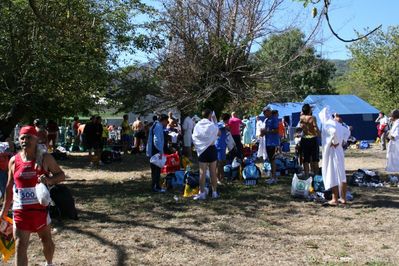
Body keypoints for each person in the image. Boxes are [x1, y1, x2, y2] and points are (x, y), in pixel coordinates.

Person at [0, 125, 65, 266]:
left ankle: (49, 263)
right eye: (22, 138)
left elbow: (61, 175)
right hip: (20, 211)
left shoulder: (45, 158)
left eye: (29, 137)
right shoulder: (14, 160)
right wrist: (4, 211)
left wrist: (49, 180)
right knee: (20, 245)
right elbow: (9, 187)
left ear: (36, 140)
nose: (25, 140)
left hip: (40, 210)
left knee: (46, 240)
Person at [319, 107, 350, 206]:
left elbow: (333, 132)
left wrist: (335, 142)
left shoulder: (329, 124)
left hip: (333, 151)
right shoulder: (337, 124)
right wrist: (341, 141)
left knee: (332, 174)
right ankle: (343, 198)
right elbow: (347, 132)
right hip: (339, 150)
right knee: (341, 174)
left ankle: (335, 198)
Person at [192, 109, 220, 200]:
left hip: (202, 150)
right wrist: (215, 123)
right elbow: (219, 133)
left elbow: (194, 136)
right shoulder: (212, 125)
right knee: (213, 172)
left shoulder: (198, 125)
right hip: (211, 149)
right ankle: (214, 192)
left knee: (202, 173)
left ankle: (202, 193)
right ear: (210, 115)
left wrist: (200, 145)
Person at [146, 114, 169, 192]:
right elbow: (156, 140)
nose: (167, 124)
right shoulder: (158, 126)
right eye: (167, 122)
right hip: (156, 150)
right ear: (164, 120)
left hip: (154, 150)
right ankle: (156, 187)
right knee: (156, 170)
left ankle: (155, 186)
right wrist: (160, 151)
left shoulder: (155, 124)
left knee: (155, 170)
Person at [299, 104, 320, 178]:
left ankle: (307, 175)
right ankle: (316, 176)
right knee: (315, 159)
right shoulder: (312, 118)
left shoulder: (301, 118)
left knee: (306, 159)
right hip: (313, 138)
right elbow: (315, 127)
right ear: (309, 110)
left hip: (304, 138)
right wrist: (319, 134)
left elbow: (300, 128)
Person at [261, 107, 280, 184]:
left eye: (265, 112)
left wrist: (267, 131)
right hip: (268, 142)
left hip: (273, 142)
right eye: (263, 113)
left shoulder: (274, 119)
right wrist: (262, 133)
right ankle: (272, 177)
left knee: (272, 160)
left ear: (269, 112)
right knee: (270, 159)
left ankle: (274, 178)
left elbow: (276, 130)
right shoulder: (266, 120)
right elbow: (266, 131)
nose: (264, 114)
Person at [215, 113, 230, 182]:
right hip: (219, 146)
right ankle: (218, 179)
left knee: (223, 162)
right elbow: (226, 127)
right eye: (228, 119)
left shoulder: (223, 123)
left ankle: (222, 177)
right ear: (227, 119)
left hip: (223, 145)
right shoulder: (220, 124)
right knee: (219, 163)